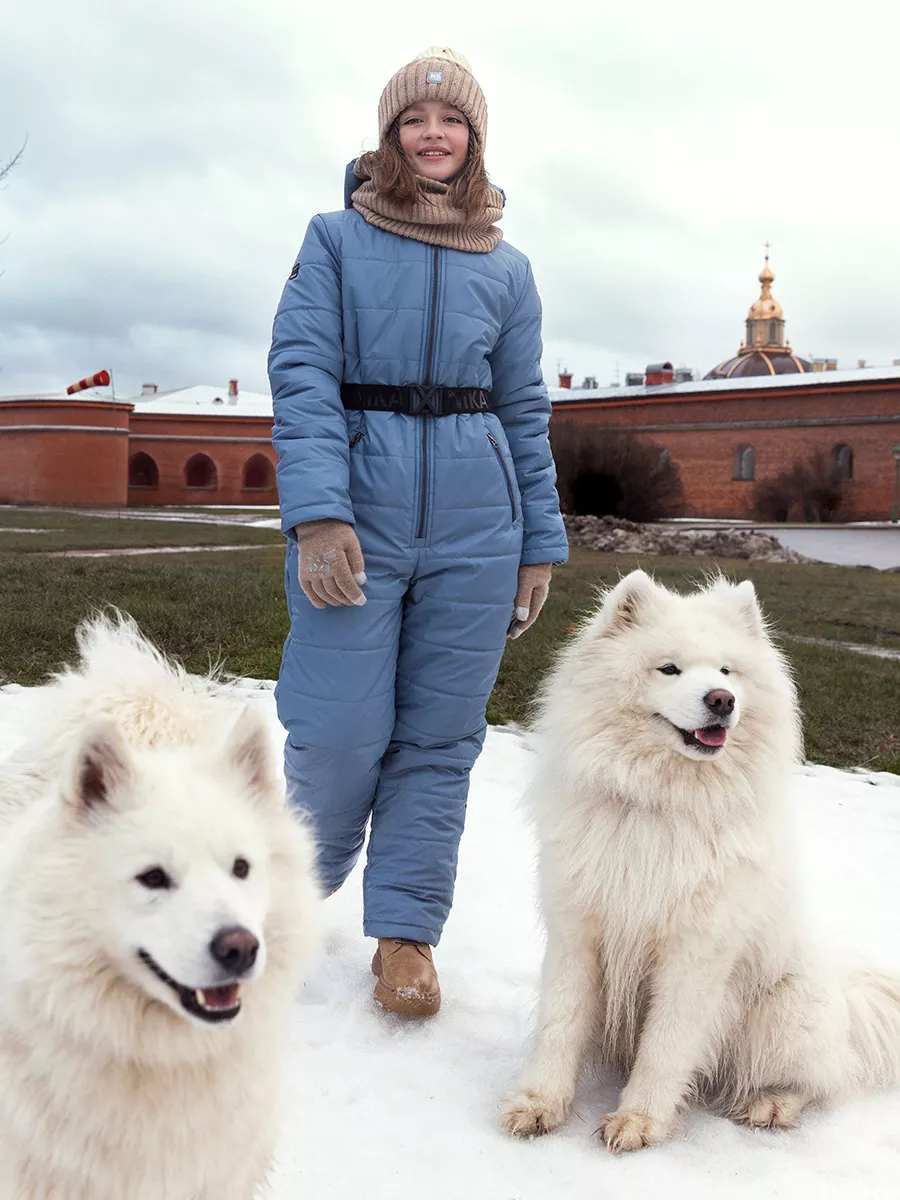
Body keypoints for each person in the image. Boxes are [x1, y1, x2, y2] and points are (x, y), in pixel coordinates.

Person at [268, 46, 568, 1017]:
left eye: (452, 121)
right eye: (414, 120)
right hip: (359, 515)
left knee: (441, 740)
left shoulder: (509, 267)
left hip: (481, 529)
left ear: (474, 138)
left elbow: (524, 410)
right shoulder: (334, 239)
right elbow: (303, 373)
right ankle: (275, 910)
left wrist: (538, 545)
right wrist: (318, 514)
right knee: (338, 731)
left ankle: (406, 936)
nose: (433, 135)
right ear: (389, 135)